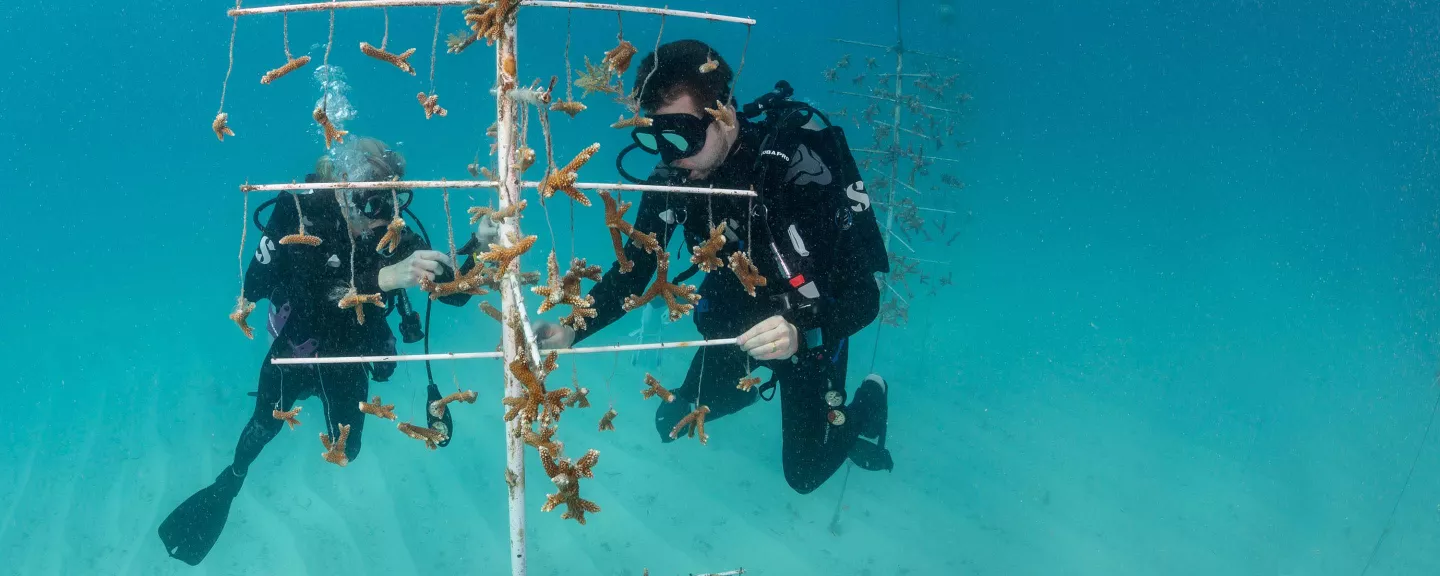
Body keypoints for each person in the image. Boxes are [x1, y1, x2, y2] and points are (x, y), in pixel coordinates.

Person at [535, 40, 894, 494]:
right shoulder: (675, 183)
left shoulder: (801, 170)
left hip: (812, 327)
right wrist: (572, 329)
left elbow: (865, 299)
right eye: (655, 139)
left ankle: (865, 406)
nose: (671, 156)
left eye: (682, 135)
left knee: (804, 473)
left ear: (723, 112)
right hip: (736, 323)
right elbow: (634, 273)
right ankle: (752, 386)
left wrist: (801, 333)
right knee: (675, 419)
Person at [158, 137, 493, 565]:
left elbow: (454, 291)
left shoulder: (390, 229)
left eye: (392, 203)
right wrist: (383, 278)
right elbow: (266, 287)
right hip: (298, 344)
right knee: (264, 424)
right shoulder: (300, 215)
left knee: (346, 449)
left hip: (351, 347)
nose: (384, 217)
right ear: (347, 192)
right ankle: (232, 480)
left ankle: (318, 424)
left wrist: (476, 248)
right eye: (373, 204)